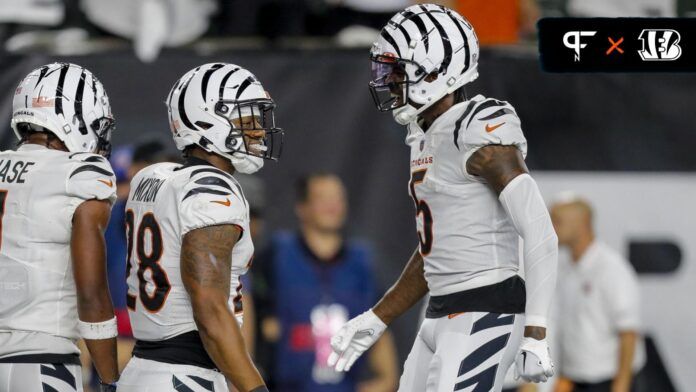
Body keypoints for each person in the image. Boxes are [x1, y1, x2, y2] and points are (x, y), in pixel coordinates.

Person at [328, 4, 558, 391]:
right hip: (440, 309)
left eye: (398, 70)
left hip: (486, 306)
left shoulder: (478, 129)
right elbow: (436, 253)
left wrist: (536, 334)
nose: (389, 81)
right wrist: (378, 317)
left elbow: (540, 233)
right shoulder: (425, 136)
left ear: (434, 72)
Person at [117, 62, 283, 392]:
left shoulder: (152, 176)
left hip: (142, 368)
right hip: (187, 375)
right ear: (210, 119)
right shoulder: (213, 190)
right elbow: (209, 311)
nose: (259, 131)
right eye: (247, 120)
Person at [0, 63, 119, 391]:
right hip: (39, 361)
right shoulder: (78, 174)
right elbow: (92, 292)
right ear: (73, 118)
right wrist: (110, 380)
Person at [254, 172, 399, 391]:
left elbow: (381, 338)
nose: (332, 205)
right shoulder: (277, 256)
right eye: (322, 198)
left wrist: (383, 383)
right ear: (301, 207)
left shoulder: (361, 264)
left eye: (338, 197)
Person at [549, 196, 645, 392]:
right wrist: (563, 376)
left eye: (557, 221)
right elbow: (568, 330)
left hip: (608, 381)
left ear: (582, 223)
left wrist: (621, 386)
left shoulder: (612, 268)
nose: (550, 228)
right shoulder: (564, 269)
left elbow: (628, 332)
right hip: (575, 380)